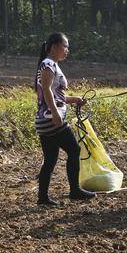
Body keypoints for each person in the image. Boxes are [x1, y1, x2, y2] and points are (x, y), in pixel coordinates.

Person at [34, 33, 96, 206]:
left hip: (45, 119)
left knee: (51, 159)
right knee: (74, 150)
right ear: (54, 47)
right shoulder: (48, 64)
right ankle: (75, 191)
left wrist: (74, 99)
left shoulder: (51, 64)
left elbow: (55, 95)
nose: (67, 50)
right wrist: (54, 113)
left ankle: (43, 198)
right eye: (65, 46)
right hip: (50, 119)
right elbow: (46, 90)